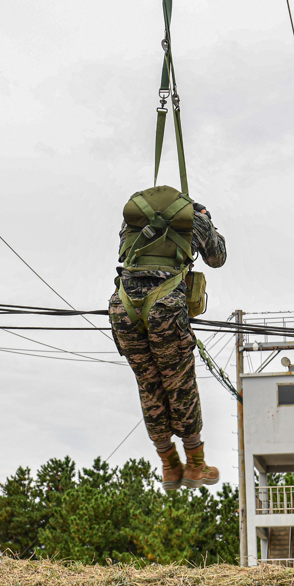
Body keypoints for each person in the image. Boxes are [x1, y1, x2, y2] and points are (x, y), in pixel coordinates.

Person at [108, 187, 227, 490]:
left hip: (123, 307)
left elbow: (124, 249)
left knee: (149, 385)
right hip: (165, 307)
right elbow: (217, 257)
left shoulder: (132, 224)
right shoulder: (193, 221)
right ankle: (195, 465)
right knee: (179, 384)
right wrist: (205, 220)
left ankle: (169, 465)